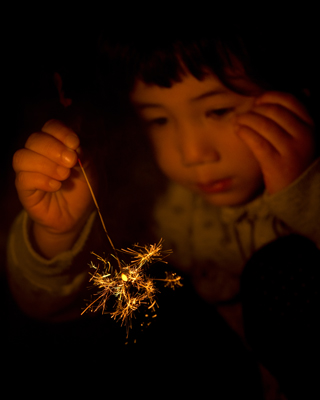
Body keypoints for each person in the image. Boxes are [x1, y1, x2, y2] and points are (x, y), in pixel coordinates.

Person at [6, 22, 319, 398]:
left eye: (217, 111)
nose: (193, 154)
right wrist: (58, 234)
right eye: (158, 119)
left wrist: (306, 192)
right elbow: (50, 310)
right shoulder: (157, 206)